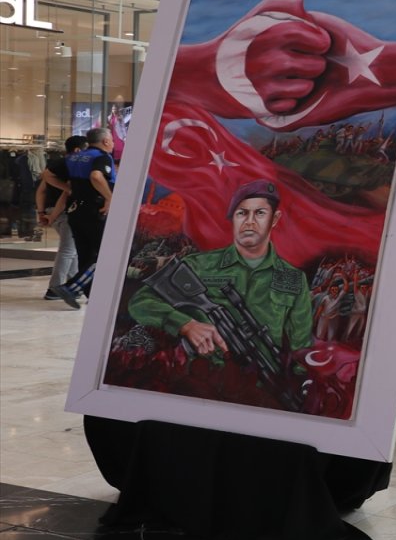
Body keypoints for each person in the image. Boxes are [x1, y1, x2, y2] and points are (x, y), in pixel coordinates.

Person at [129, 180, 313, 365]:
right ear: (233, 218)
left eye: (260, 213)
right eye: (242, 213)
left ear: (274, 219)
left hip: (263, 383)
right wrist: (185, 325)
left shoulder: (294, 279)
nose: (250, 221)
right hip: (202, 376)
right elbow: (141, 302)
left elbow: (301, 345)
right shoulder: (199, 265)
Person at [48, 128, 115, 309]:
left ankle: (92, 295)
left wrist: (69, 189)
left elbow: (47, 175)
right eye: (112, 140)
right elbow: (96, 176)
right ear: (106, 142)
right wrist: (109, 197)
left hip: (75, 210)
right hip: (95, 210)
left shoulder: (74, 157)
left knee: (85, 254)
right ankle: (71, 287)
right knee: (104, 254)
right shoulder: (101, 157)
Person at [35, 136, 87, 300]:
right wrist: (51, 216)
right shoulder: (73, 167)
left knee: (72, 251)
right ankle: (55, 288)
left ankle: (74, 286)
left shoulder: (55, 166)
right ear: (78, 150)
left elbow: (41, 190)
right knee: (68, 250)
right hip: (63, 212)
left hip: (53, 211)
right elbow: (65, 197)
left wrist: (42, 212)